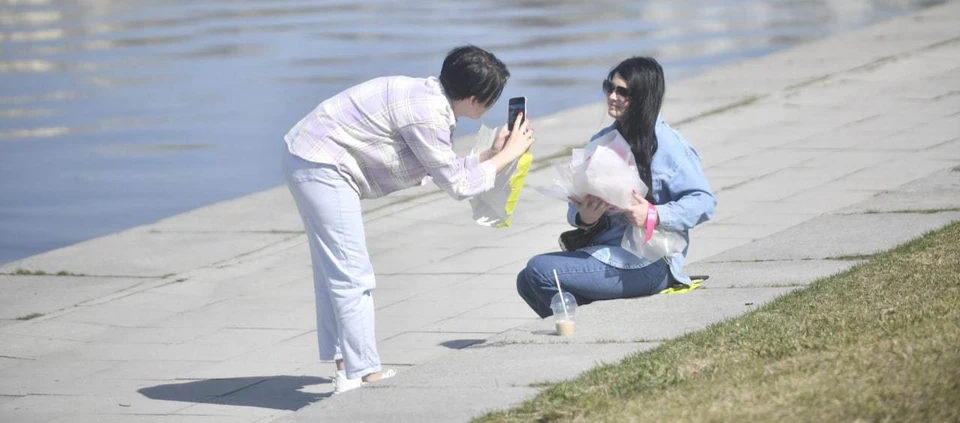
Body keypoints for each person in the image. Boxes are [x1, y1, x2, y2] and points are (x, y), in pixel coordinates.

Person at [282, 45, 535, 394]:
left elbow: (445, 170)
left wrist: (492, 154)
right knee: (352, 275)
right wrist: (509, 155)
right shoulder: (427, 115)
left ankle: (348, 371)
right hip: (321, 164)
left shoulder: (429, 98)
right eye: (492, 99)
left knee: (335, 272)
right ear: (475, 99)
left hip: (310, 156)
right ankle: (364, 375)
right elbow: (459, 186)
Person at [516, 56, 715, 318]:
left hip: (652, 259)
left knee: (539, 270)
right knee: (526, 281)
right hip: (605, 252)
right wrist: (585, 217)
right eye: (609, 88)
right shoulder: (602, 140)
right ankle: (579, 324)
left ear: (643, 96)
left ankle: (578, 324)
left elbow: (704, 202)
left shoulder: (668, 145)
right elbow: (576, 207)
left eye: (622, 92)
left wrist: (654, 214)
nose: (612, 96)